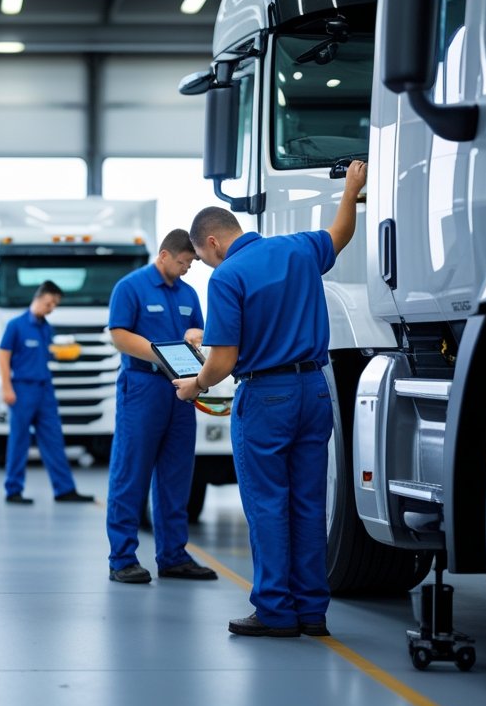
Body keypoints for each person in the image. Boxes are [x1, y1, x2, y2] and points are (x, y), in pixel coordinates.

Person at [173, 160, 367, 637]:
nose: (208, 264)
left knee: (267, 505)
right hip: (314, 389)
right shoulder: (298, 248)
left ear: (213, 243)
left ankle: (277, 612)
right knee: (307, 501)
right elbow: (340, 233)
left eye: (204, 256)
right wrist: (352, 191)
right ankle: (312, 613)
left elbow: (221, 363)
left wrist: (193, 385)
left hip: (266, 397)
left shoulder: (227, 277)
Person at [106, 229, 217, 584]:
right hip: (142, 388)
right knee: (131, 472)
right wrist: (159, 352)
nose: (187, 269)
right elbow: (119, 334)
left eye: (191, 263)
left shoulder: (188, 293)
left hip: (182, 392)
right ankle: (122, 558)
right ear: (166, 255)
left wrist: (196, 336)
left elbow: (199, 330)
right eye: (184, 262)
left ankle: (173, 556)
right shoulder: (131, 287)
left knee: (176, 475)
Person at [0, 281, 94, 505]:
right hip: (22, 389)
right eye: (50, 303)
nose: (51, 308)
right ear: (39, 298)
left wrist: (65, 352)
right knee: (19, 440)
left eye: (55, 305)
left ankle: (64, 489)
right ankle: (13, 490)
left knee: (53, 439)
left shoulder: (45, 328)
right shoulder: (16, 325)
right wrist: (6, 387)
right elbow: (3, 354)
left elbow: (46, 354)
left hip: (45, 389)